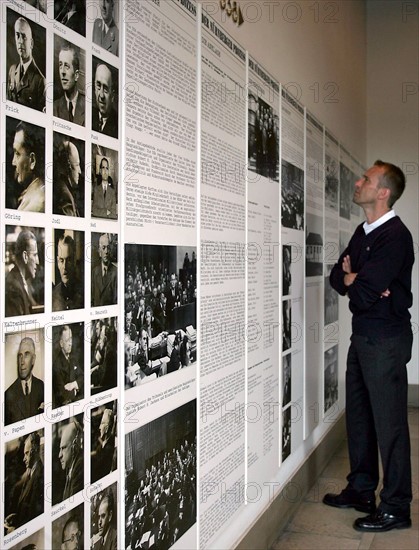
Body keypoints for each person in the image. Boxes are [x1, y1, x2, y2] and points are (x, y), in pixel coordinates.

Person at [323, 161, 415, 532]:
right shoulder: (364, 231)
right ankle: (361, 489)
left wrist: (358, 281)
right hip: (363, 337)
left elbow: (360, 295)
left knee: (389, 424)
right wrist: (356, 279)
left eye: (366, 179)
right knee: (359, 416)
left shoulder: (396, 236)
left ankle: (396, 507)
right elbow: (337, 278)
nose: (358, 182)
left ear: (383, 193)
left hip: (386, 340)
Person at [7, 17, 45, 111]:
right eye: (17, 36)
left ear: (31, 43)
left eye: (24, 37)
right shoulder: (12, 70)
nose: (20, 41)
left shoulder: (40, 81)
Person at [4, 337, 44, 425]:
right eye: (20, 356)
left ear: (33, 359)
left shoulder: (42, 386)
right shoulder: (7, 395)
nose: (22, 362)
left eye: (26, 355)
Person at [10, 121, 45, 212]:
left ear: (32, 160)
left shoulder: (34, 205)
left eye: (17, 154)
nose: (13, 162)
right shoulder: (35, 195)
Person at [5, 230, 40, 317]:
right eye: (35, 255)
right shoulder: (14, 288)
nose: (38, 261)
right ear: (25, 256)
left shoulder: (21, 282)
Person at [15, 433, 44, 527]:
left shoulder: (39, 475)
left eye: (26, 453)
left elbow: (33, 514)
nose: (24, 459)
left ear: (35, 450)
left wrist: (16, 529)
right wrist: (16, 516)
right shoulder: (30, 473)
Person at [53, 43, 85, 126]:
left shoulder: (87, 106)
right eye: (60, 65)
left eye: (66, 66)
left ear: (76, 75)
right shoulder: (54, 107)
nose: (62, 72)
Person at [53, 326, 84, 407]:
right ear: (61, 343)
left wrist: (73, 384)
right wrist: (75, 391)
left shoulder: (73, 358)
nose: (70, 343)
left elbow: (82, 377)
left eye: (71, 339)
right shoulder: (56, 365)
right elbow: (62, 395)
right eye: (67, 340)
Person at [52, 234, 84, 311]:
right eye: (61, 260)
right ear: (57, 262)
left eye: (69, 260)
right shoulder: (53, 295)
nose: (65, 266)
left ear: (74, 261)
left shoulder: (84, 292)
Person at [53, 139, 82, 217]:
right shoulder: (65, 196)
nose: (80, 171)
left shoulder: (63, 188)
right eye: (76, 165)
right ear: (68, 166)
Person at [59, 420, 83, 501]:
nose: (59, 455)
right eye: (60, 449)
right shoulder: (71, 467)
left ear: (75, 445)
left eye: (64, 448)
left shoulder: (80, 467)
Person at [92, 63, 118, 138]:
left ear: (112, 95)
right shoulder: (89, 115)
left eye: (106, 89)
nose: (101, 95)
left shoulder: (118, 125)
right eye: (98, 86)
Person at [91, 234, 118, 307]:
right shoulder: (94, 272)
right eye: (103, 248)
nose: (106, 251)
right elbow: (92, 299)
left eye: (108, 248)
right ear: (99, 251)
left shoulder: (116, 272)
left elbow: (116, 302)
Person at [91, 409, 115, 483]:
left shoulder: (109, 448)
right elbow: (97, 452)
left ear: (107, 428)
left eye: (102, 423)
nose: (99, 427)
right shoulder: (105, 443)